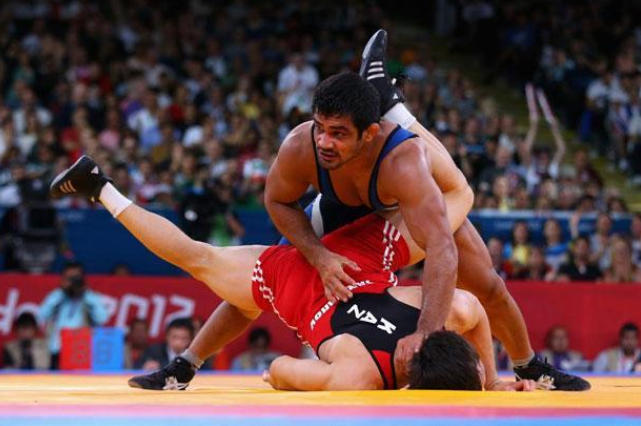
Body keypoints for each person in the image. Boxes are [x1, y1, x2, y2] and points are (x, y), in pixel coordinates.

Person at [258, 31, 587, 389]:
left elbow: (443, 249)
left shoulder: (404, 160)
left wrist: (427, 334)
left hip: (401, 205)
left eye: (337, 133)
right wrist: (319, 256)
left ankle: (527, 366)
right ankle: (187, 361)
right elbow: (273, 207)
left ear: (370, 132)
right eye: (322, 130)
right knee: (259, 277)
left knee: (487, 282)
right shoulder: (304, 145)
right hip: (340, 213)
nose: (325, 141)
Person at [49, 156, 535, 391]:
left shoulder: (452, 313)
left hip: (360, 251)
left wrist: (490, 379)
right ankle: (103, 189)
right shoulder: (357, 378)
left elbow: (475, 318)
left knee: (460, 196)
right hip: (294, 282)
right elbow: (277, 370)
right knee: (195, 257)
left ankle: (393, 113)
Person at [39, 261, 109, 369]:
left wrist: (85, 293)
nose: (73, 282)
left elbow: (102, 319)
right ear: (62, 279)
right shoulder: (57, 295)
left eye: (76, 278)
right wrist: (62, 292)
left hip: (81, 352)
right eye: (69, 278)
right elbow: (41, 316)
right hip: (57, 351)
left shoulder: (90, 297)